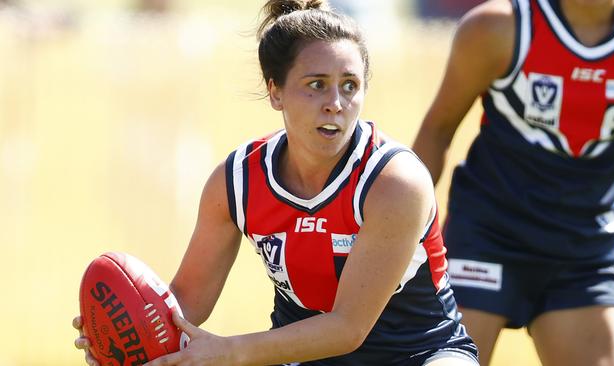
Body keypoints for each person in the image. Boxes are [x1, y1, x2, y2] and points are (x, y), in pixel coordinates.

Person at [73, 0, 479, 364]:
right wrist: (126, 336)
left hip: (422, 352)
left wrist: (229, 351)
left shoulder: (394, 182)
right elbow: (188, 303)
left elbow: (348, 329)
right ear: (275, 91)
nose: (336, 103)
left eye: (350, 86)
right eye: (316, 84)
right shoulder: (236, 182)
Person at [412, 0, 614, 365]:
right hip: (486, 240)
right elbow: (437, 130)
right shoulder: (499, 26)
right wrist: (401, 242)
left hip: (584, 251)